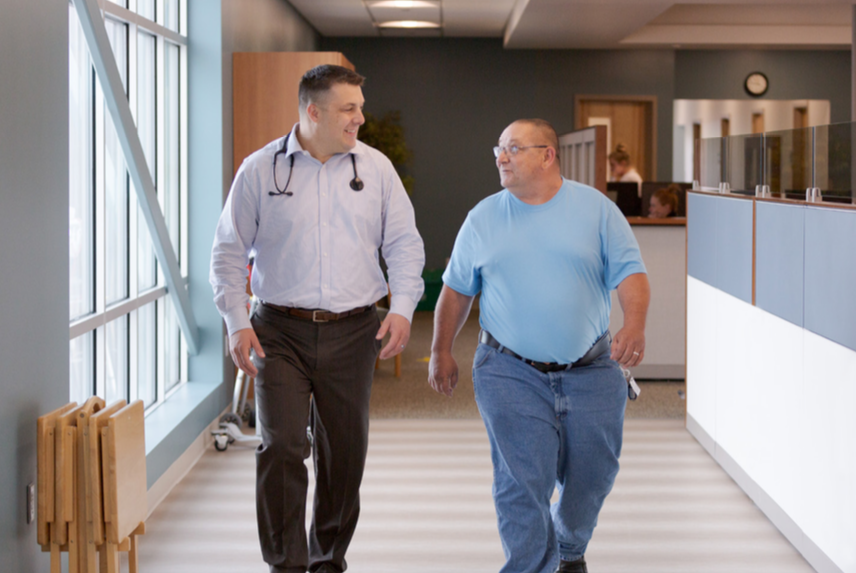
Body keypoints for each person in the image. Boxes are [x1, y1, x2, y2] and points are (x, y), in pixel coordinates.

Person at [210, 64, 425, 573]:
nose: (360, 118)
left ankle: (328, 560)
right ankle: (286, 564)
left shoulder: (375, 170)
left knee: (343, 454)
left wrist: (401, 308)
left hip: (354, 331)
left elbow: (403, 246)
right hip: (278, 330)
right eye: (348, 109)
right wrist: (236, 320)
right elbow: (228, 251)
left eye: (359, 107)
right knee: (282, 444)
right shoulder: (261, 169)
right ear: (313, 112)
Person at [429, 119, 649, 573]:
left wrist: (635, 324)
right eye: (499, 149)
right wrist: (440, 349)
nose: (500, 157)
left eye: (513, 148)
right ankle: (531, 566)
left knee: (594, 474)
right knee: (522, 479)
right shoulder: (483, 217)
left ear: (547, 155)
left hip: (592, 367)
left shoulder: (597, 210)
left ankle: (569, 548)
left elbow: (631, 273)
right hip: (509, 368)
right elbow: (455, 290)